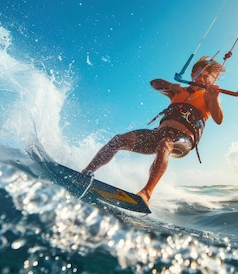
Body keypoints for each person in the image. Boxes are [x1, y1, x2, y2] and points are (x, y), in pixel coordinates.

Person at [82, 56, 225, 205]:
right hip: (159, 134)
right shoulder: (178, 91)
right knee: (119, 139)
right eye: (197, 75)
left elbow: (218, 119)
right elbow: (154, 83)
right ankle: (86, 173)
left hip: (183, 140)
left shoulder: (209, 96)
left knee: (165, 144)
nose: (200, 79)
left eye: (205, 77)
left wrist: (214, 98)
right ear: (192, 75)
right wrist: (171, 86)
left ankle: (146, 193)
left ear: (210, 80)